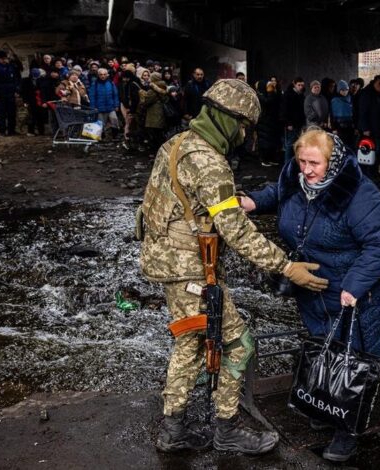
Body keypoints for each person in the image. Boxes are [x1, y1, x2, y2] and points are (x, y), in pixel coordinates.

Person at [140, 79, 328, 455]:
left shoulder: (177, 144)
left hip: (168, 264)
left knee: (190, 344)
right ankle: (226, 429)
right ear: (229, 120)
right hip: (190, 270)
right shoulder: (210, 162)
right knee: (240, 344)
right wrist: (286, 267)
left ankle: (173, 429)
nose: (244, 135)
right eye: (243, 126)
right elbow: (237, 232)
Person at [241, 128, 380, 463]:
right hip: (315, 285)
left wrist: (354, 285)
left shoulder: (357, 193)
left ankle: (348, 431)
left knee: (353, 356)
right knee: (324, 345)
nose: (307, 170)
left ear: (334, 161)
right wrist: (253, 201)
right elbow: (279, 193)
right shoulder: (297, 179)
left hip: (359, 290)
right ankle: (325, 406)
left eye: (315, 163)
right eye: (302, 161)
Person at [358, 75, 380, 170]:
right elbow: (362, 112)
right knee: (373, 151)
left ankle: (378, 170)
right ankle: (370, 173)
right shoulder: (367, 94)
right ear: (374, 83)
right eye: (379, 84)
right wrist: (365, 128)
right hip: (373, 129)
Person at [0, 50, 20, 136]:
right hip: (0, 94)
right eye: (5, 58)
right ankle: (2, 131)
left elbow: (15, 79)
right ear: (0, 59)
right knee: (1, 113)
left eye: (7, 58)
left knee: (12, 112)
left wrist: (16, 90)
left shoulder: (10, 66)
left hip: (11, 93)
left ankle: (11, 130)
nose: (6, 60)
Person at [88, 68, 120, 136]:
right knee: (101, 123)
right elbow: (92, 96)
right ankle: (102, 137)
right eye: (101, 74)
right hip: (99, 108)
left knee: (114, 120)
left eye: (104, 74)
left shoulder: (111, 83)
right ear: (98, 75)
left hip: (110, 107)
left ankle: (115, 136)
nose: (103, 76)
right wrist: (93, 107)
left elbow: (115, 95)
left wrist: (116, 105)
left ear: (107, 75)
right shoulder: (95, 84)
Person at [281, 77, 306, 163]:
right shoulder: (288, 95)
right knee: (290, 145)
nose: (300, 87)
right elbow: (284, 110)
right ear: (294, 84)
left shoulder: (301, 95)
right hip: (291, 124)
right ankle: (287, 164)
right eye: (299, 85)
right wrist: (288, 123)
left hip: (299, 123)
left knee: (297, 144)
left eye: (302, 85)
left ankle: (293, 163)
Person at [142, 71, 169, 149]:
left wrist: (143, 96)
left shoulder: (152, 90)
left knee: (154, 135)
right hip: (162, 114)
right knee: (160, 134)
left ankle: (155, 150)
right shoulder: (164, 87)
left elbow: (147, 102)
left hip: (153, 115)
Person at [330, 79, 354, 147]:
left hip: (350, 127)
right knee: (341, 146)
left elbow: (354, 113)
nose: (345, 92)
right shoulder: (334, 100)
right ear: (339, 90)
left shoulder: (350, 98)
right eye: (342, 90)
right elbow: (332, 115)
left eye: (346, 89)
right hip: (339, 127)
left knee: (350, 145)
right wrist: (334, 128)